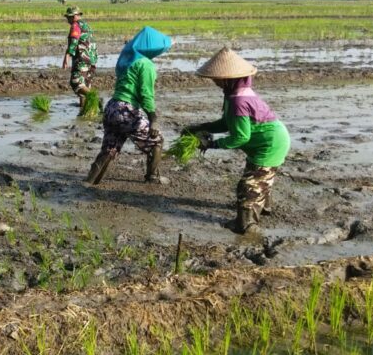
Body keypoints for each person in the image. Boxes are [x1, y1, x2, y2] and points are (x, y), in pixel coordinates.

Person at [183, 47, 291, 234]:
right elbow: (227, 123)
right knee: (259, 176)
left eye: (217, 78)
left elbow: (241, 137)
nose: (214, 81)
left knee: (248, 186)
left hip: (270, 144)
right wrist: (203, 127)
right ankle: (265, 207)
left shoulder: (238, 100)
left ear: (228, 78)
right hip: (268, 141)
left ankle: (246, 227)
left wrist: (213, 144)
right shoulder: (234, 94)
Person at [87, 26, 172, 185]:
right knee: (157, 141)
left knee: (110, 148)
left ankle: (90, 181)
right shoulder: (145, 64)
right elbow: (146, 94)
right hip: (127, 110)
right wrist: (153, 118)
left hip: (112, 108)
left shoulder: (127, 58)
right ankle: (152, 177)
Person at [60, 7, 97, 108]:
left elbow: (73, 42)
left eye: (69, 17)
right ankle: (84, 110)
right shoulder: (87, 26)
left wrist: (66, 58)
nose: (67, 19)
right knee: (85, 84)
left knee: (75, 82)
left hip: (82, 59)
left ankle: (96, 99)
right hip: (92, 60)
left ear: (75, 16)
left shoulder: (75, 26)